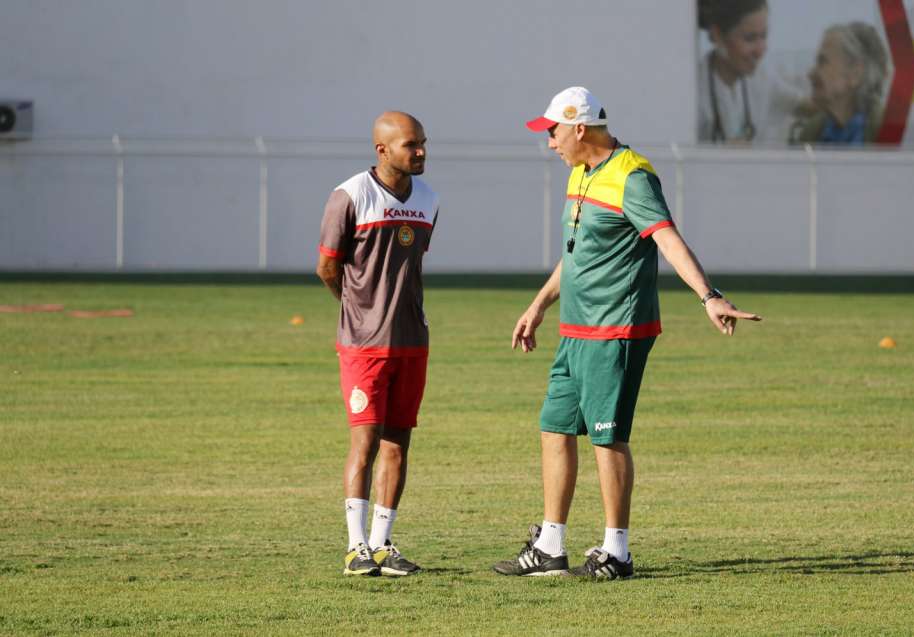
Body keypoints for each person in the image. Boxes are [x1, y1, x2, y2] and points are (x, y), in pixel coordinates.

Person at [493, 87, 761, 579]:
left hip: (615, 328)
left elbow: (668, 240)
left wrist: (709, 296)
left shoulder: (633, 176)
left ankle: (617, 552)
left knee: (606, 438)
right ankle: (551, 546)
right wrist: (538, 305)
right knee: (554, 428)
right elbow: (576, 253)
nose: (549, 142)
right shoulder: (581, 174)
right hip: (575, 329)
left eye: (552, 132)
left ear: (578, 128)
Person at [316, 111, 439, 577]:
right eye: (412, 145)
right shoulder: (349, 196)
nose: (422, 151)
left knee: (398, 445)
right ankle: (355, 547)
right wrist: (357, 311)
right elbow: (328, 267)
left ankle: (384, 545)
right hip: (364, 345)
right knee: (364, 442)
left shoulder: (429, 199)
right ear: (382, 150)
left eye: (424, 142)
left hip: (412, 341)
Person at [697, 0, 804, 144]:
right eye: (750, 38)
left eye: (764, 36)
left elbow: (805, 106)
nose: (761, 51)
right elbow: (656, 163)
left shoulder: (762, 79)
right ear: (717, 35)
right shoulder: (692, 91)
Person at [789, 22, 889, 145]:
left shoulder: (889, 135)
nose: (810, 74)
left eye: (822, 61)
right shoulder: (811, 134)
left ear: (855, 75)